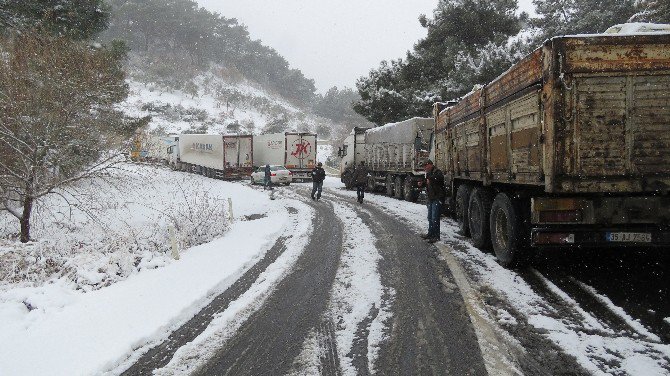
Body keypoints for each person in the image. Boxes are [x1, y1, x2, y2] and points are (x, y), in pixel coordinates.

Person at [418, 159, 445, 243]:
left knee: (435, 218)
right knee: (430, 217)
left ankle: (436, 236)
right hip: (431, 198)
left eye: (426, 166)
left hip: (437, 198)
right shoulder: (429, 173)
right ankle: (430, 233)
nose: (425, 168)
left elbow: (439, 179)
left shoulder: (437, 172)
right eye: (424, 167)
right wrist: (422, 184)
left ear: (430, 164)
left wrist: (430, 179)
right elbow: (427, 183)